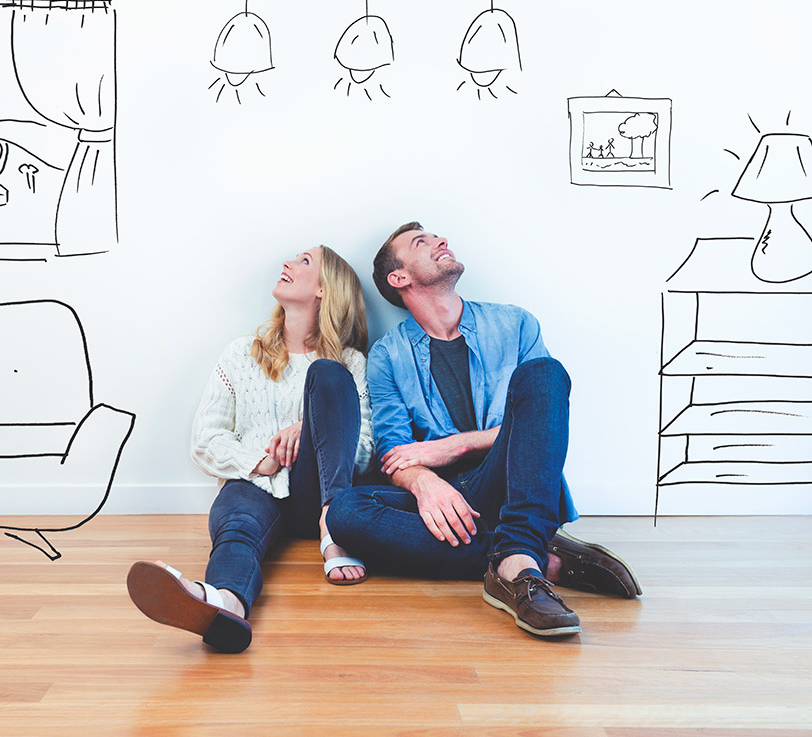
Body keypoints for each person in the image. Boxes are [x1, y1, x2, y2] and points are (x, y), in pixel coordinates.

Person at [326, 222, 641, 637]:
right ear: (398, 278)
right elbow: (395, 450)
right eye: (422, 241)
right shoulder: (388, 355)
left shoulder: (516, 325)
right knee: (345, 513)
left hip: (514, 485)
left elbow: (539, 424)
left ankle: (514, 562)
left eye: (437, 236)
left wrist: (451, 447)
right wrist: (424, 483)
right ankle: (540, 559)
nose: (441, 240)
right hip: (452, 503)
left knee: (544, 375)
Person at [127, 245, 373, 653]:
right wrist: (262, 460)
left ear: (324, 291)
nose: (287, 264)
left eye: (304, 262)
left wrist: (310, 426)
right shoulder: (241, 354)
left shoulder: (349, 363)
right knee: (236, 527)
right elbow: (205, 440)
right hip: (255, 484)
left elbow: (364, 449)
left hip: (323, 494)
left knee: (327, 375)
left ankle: (334, 533)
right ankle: (223, 603)